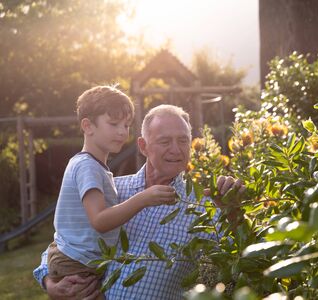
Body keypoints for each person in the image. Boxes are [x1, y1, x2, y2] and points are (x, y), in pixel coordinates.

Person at [34, 104, 245, 299]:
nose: (176, 149)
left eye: (183, 141)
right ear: (143, 147)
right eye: (165, 141)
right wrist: (50, 283)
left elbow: (242, 257)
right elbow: (64, 240)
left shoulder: (202, 206)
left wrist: (233, 212)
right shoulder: (112, 190)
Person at [45, 87, 179, 298]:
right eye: (113, 124)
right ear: (88, 126)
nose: (122, 132)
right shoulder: (87, 167)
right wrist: (143, 199)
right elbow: (99, 220)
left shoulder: (97, 168)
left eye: (126, 125)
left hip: (82, 259)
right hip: (77, 263)